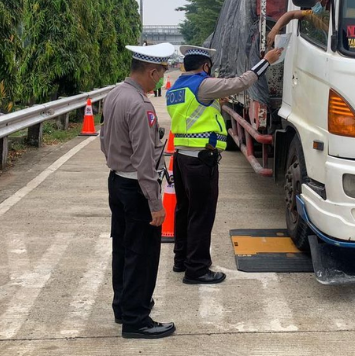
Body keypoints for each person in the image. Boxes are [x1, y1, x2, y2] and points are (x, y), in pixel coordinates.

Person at [166, 45, 282, 284]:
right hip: (201, 161)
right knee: (201, 215)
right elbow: (240, 82)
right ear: (206, 66)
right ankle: (196, 269)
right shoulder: (204, 84)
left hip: (181, 159)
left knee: (184, 211)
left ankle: (181, 260)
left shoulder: (176, 87)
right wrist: (267, 61)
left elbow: (196, 112)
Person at [100, 43, 176, 339]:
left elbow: (104, 140)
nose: (159, 81)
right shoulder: (141, 106)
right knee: (142, 256)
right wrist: (155, 204)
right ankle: (137, 320)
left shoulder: (114, 94)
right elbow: (145, 161)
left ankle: (123, 307)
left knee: (123, 248)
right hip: (137, 188)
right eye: (159, 75)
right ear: (151, 70)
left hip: (117, 182)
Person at [266, 0, 331, 48]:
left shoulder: (338, 18)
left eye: (314, 2)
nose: (312, 6)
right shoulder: (313, 14)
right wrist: (275, 29)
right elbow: (292, 14)